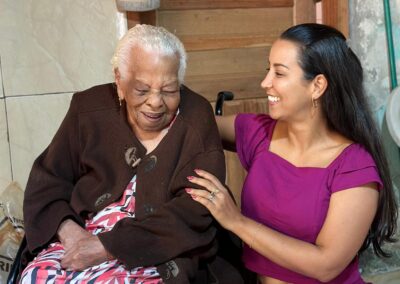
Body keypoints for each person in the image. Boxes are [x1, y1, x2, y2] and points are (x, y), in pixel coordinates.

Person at [19, 24, 241, 284]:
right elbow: (48, 181)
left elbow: (196, 210)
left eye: (169, 90)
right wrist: (71, 234)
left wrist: (108, 247)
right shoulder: (88, 109)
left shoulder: (196, 117)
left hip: (163, 247)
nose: (156, 102)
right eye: (142, 90)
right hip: (84, 234)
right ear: (119, 81)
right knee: (35, 277)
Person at [186, 23, 398, 284]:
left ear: (317, 85)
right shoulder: (258, 133)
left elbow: (326, 265)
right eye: (268, 70)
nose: (265, 83)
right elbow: (194, 123)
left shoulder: (354, 167)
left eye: (279, 73)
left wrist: (236, 221)